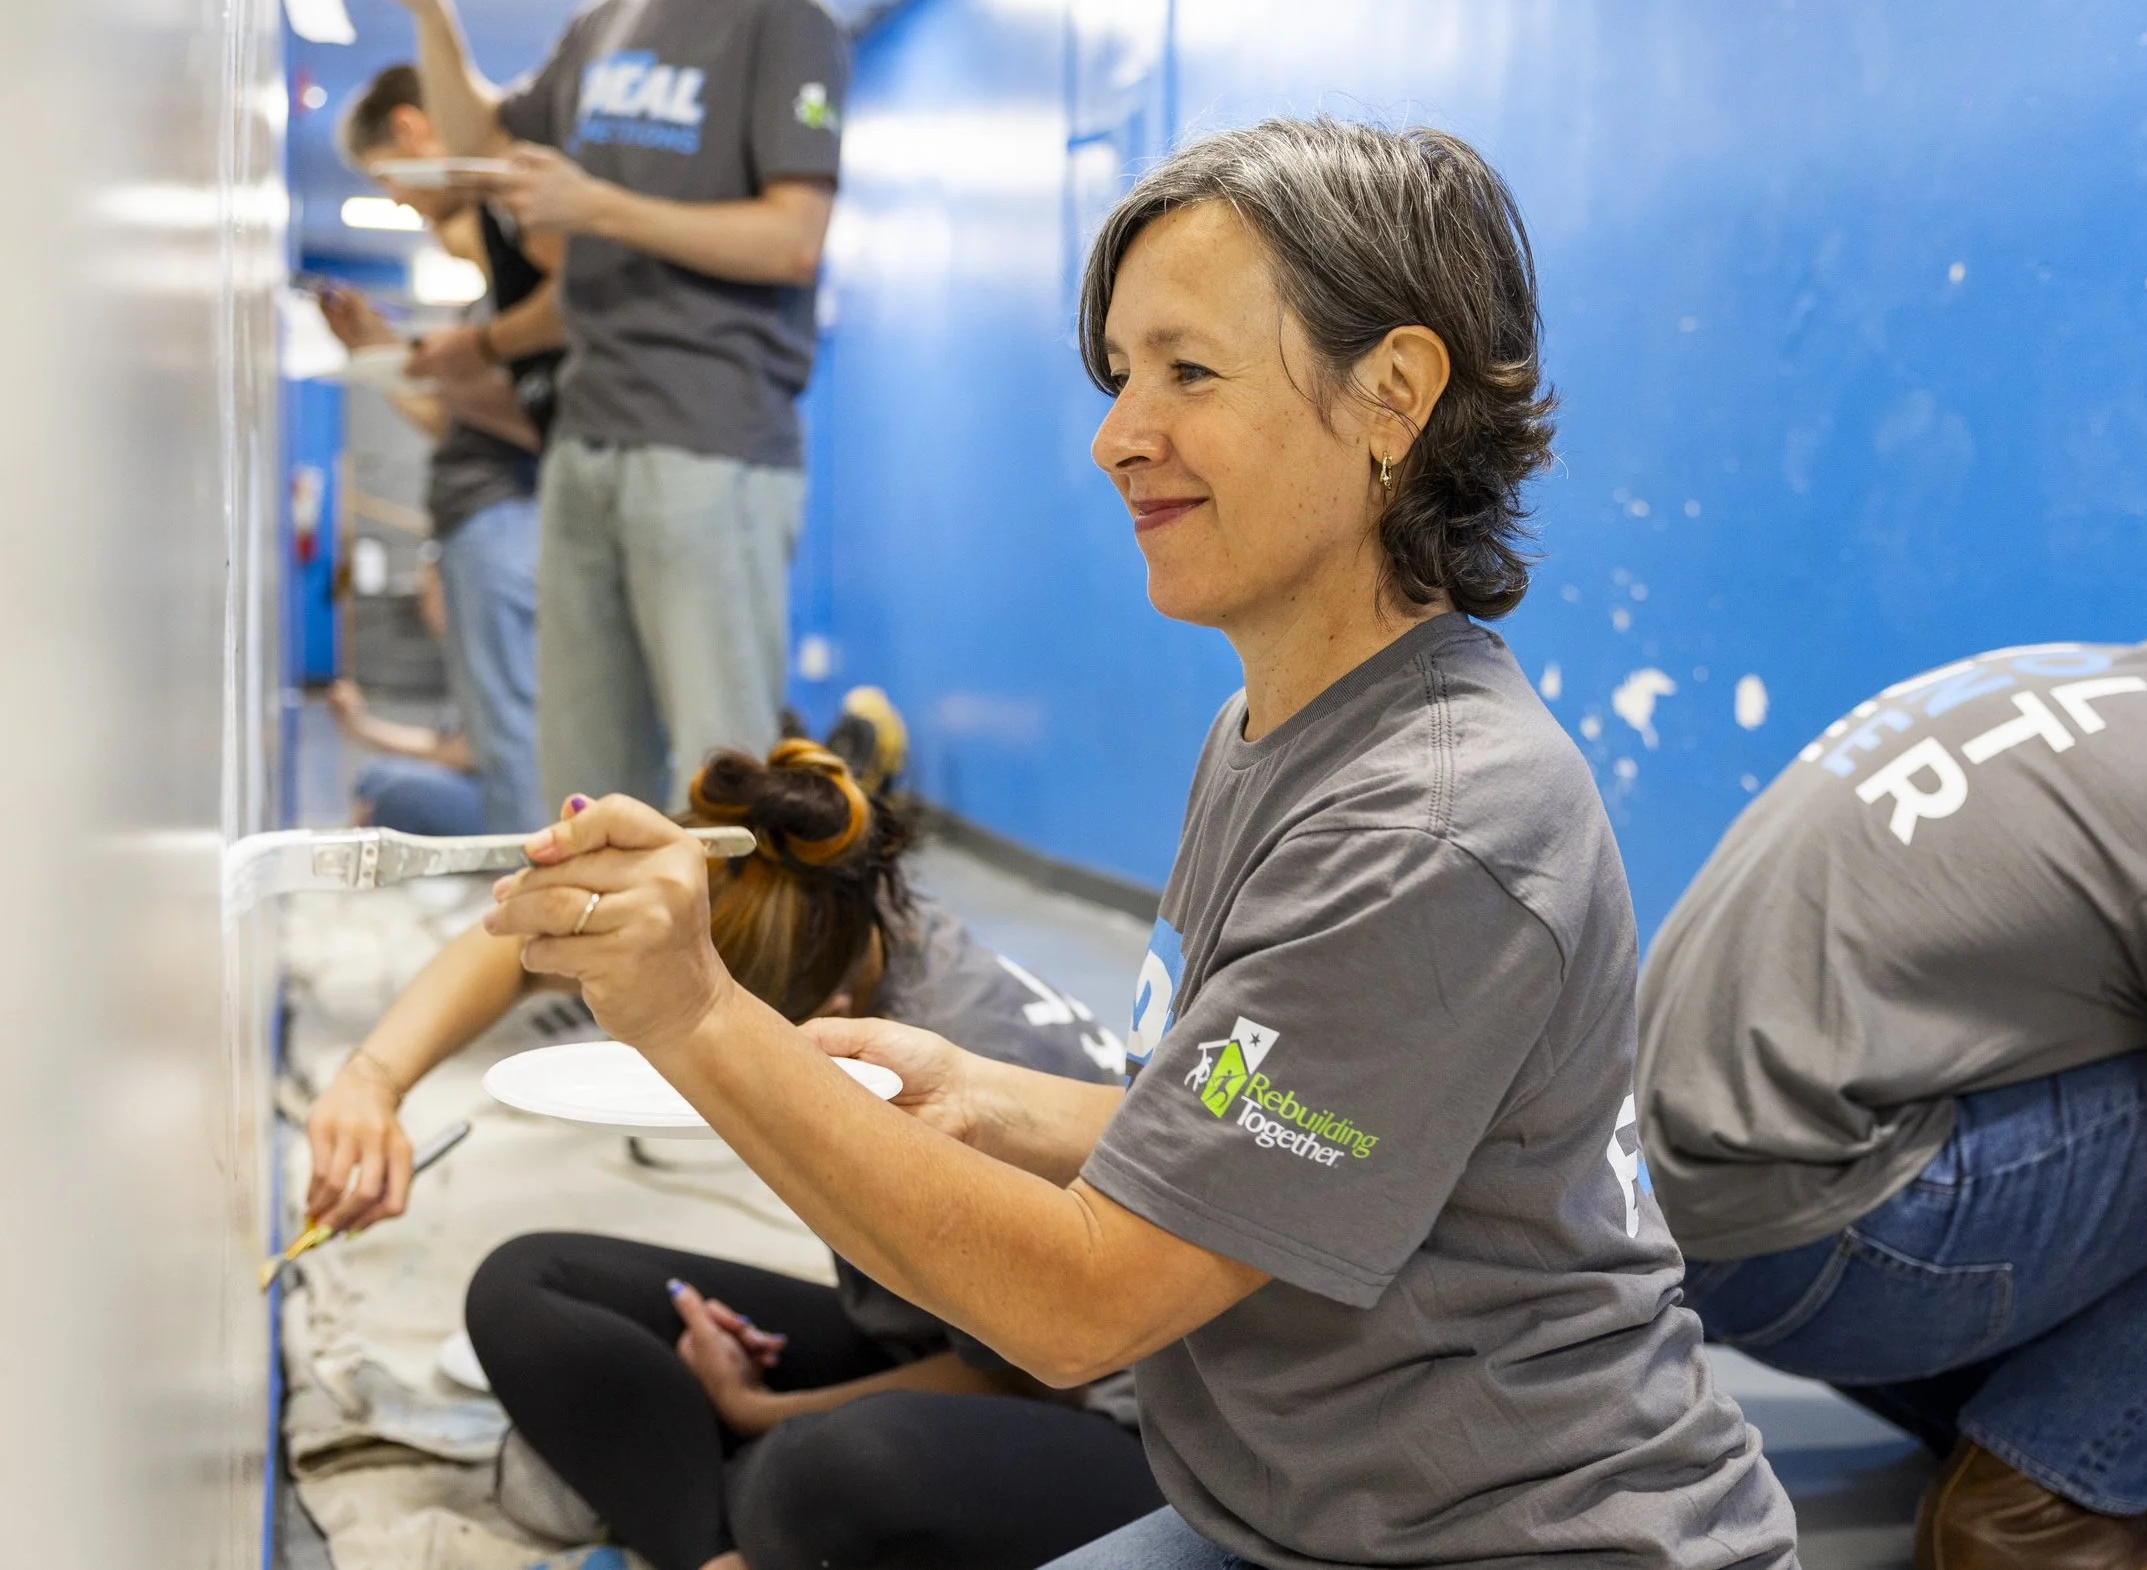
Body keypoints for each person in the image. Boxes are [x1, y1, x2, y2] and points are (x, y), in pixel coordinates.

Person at [479, 119, 1798, 1570]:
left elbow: (1080, 1306)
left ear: (1394, 396)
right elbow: (1275, 1148)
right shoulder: (1274, 730)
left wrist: (692, 1012)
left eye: (1189, 370)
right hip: (1276, 1513)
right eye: (1120, 376)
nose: (1119, 434)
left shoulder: (1437, 824)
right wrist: (996, 1094)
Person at [1635, 556, 2147, 1570]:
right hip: (1817, 1244)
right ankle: (2037, 1515)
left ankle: (2007, 1410)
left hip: (1687, 1224)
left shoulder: (2121, 691)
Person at [304, 738, 1153, 1570]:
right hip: (919, 1327)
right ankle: (734, 1542)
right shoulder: (829, 906)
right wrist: (371, 1080)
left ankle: (736, 1516)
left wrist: (756, 1410)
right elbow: (529, 940)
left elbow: (1039, 1376)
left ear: (839, 1010)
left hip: (1110, 1419)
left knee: (824, 1471)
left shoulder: (960, 1054)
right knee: (526, 1287)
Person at [342, 0, 849, 815]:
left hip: (709, 442)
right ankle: (599, 964)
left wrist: (597, 206)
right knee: (584, 784)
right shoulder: (600, 27)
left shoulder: (783, 17)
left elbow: (793, 239)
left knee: (720, 780)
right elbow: (477, 145)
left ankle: (724, 964)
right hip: (582, 442)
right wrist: (428, 9)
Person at [326, 62, 567, 833]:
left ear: (411, 131)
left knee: (515, 737)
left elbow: (532, 419)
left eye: (386, 176)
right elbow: (455, 419)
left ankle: (543, 935)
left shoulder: (524, 261)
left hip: (506, 515)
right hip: (480, 519)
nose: (397, 198)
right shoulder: (490, 282)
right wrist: (389, 357)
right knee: (502, 738)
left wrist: (438, 358)